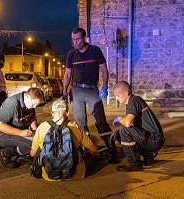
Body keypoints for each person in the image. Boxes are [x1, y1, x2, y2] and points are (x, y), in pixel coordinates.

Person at [62, 27, 118, 164]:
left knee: (101, 122)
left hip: (92, 91)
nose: (75, 42)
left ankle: (113, 152)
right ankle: (85, 152)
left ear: (84, 38)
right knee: (80, 125)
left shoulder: (95, 51)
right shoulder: (71, 54)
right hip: (76, 91)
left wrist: (105, 86)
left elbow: (104, 69)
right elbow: (67, 74)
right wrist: (64, 90)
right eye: (73, 40)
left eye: (78, 39)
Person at [30, 99, 98, 181]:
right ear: (68, 112)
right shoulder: (74, 126)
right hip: (76, 175)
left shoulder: (42, 127)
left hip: (49, 176)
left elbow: (33, 154)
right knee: (88, 156)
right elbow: (94, 149)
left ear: (52, 114)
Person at [112, 81, 165, 172]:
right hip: (153, 138)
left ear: (125, 93)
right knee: (121, 132)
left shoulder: (134, 100)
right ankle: (148, 155)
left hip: (154, 139)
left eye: (118, 96)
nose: (117, 99)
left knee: (124, 129)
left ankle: (134, 164)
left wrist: (119, 118)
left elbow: (128, 123)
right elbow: (132, 124)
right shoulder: (133, 102)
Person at [0, 87, 45, 168]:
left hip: (20, 130)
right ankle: (5, 153)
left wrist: (35, 128)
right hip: (3, 134)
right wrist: (20, 133)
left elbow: (32, 117)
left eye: (36, 105)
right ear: (27, 97)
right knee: (33, 145)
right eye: (33, 104)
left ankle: (23, 155)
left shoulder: (29, 104)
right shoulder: (11, 103)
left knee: (40, 141)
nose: (34, 107)